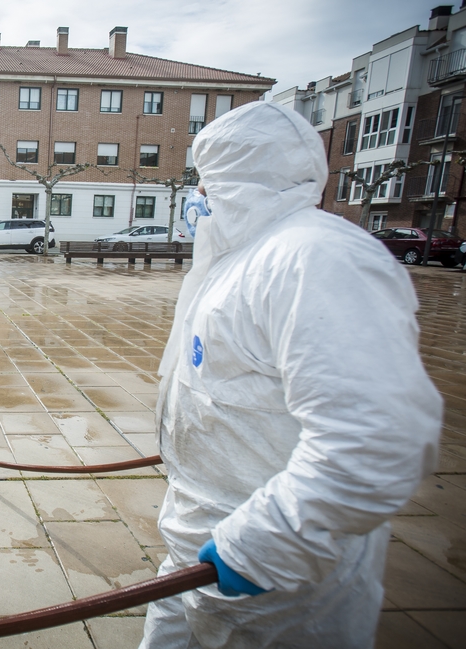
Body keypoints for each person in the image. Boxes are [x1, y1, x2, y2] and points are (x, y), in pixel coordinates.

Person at [140, 102, 442, 648]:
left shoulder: (315, 258)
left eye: (205, 184)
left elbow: (376, 440)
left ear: (237, 180)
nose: (197, 199)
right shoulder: (241, 255)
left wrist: (265, 545)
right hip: (199, 537)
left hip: (275, 576)